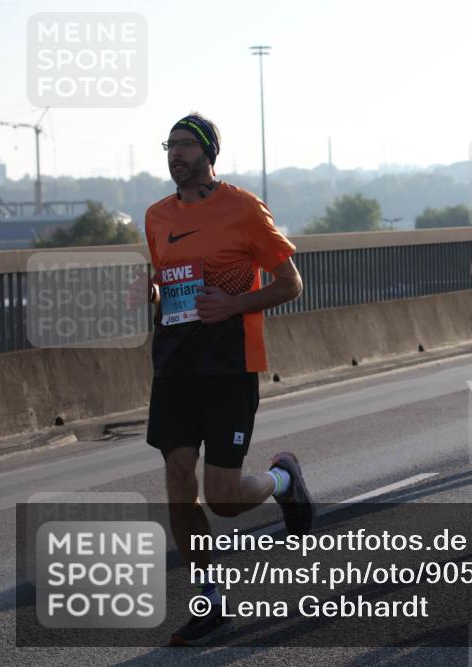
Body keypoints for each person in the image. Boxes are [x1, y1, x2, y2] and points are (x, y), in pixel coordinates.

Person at [138, 113, 311, 645]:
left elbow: (291, 284)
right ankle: (210, 601)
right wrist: (148, 294)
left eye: (187, 145)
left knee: (225, 498)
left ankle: (283, 480)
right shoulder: (156, 215)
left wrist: (235, 303)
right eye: (171, 146)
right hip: (175, 365)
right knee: (176, 477)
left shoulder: (242, 208)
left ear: (210, 153)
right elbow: (165, 279)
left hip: (229, 363)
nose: (176, 154)